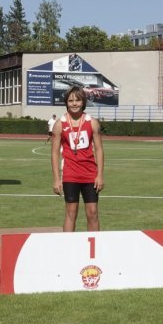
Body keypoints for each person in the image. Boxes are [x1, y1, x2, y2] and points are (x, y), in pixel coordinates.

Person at [51, 86, 104, 232]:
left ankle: (94, 250)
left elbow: (99, 149)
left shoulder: (92, 122)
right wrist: (56, 179)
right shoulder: (59, 124)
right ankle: (68, 249)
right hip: (70, 175)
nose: (74, 103)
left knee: (92, 212)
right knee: (71, 212)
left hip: (90, 175)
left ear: (83, 102)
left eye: (78, 100)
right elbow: (55, 153)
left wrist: (100, 175)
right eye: (70, 100)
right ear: (66, 103)